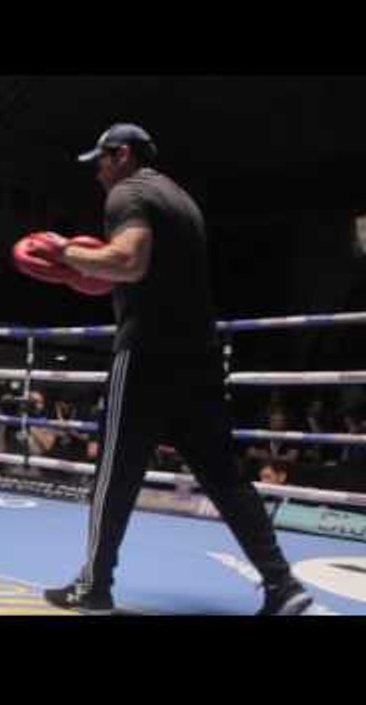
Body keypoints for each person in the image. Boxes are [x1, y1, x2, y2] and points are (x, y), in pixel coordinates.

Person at [25, 123, 312, 615]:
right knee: (225, 477)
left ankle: (94, 587)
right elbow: (148, 270)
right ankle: (282, 585)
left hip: (147, 353)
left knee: (114, 473)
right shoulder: (181, 199)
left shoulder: (128, 192)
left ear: (122, 155)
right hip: (199, 355)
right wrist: (88, 268)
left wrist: (64, 251)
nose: (97, 172)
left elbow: (129, 262)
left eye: (101, 161)